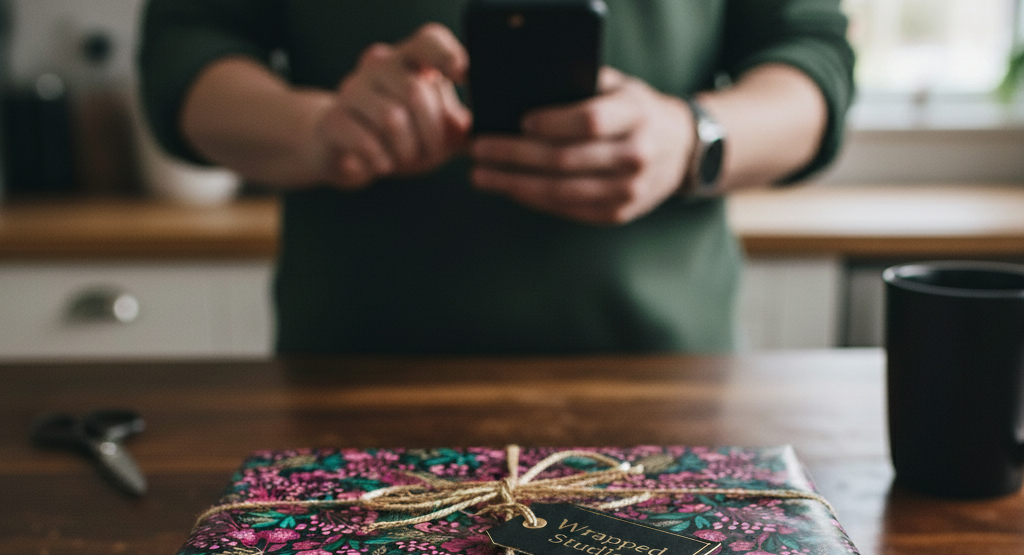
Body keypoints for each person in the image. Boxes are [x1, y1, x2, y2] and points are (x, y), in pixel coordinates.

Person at [139, 1, 853, 355]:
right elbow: (188, 48)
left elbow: (811, 58)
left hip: (663, 385)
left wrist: (691, 137)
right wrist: (319, 130)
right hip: (351, 381)